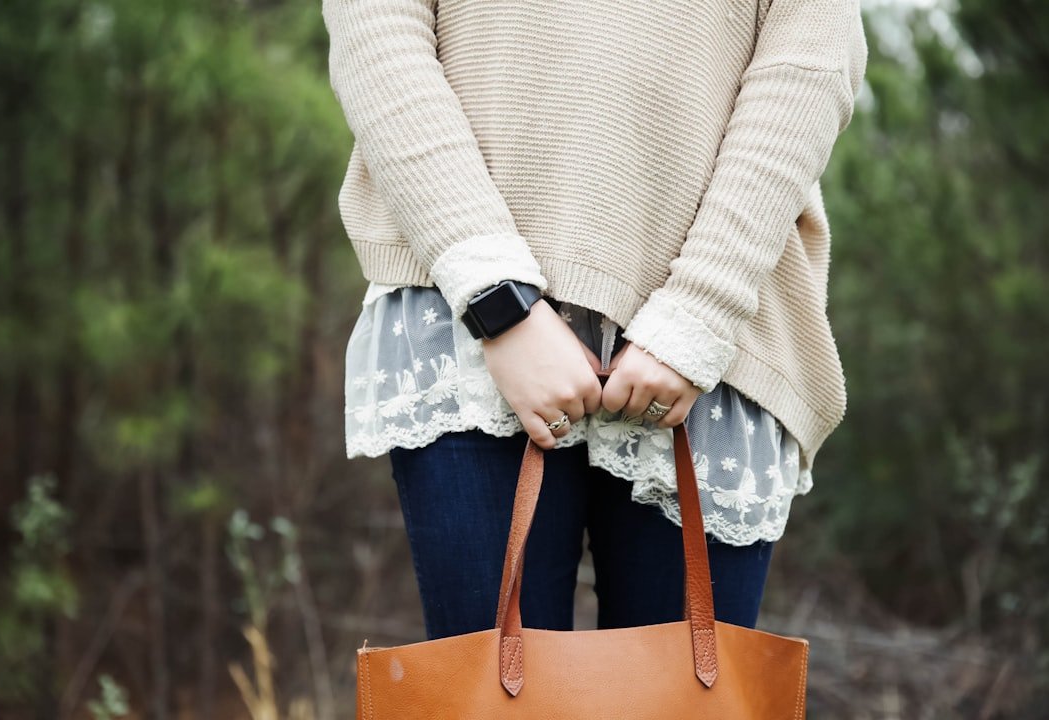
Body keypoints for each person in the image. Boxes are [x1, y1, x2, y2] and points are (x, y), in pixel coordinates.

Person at [323, 0, 868, 638]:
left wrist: (701, 310)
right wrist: (497, 298)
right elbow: (376, 31)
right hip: (468, 322)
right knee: (495, 707)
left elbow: (811, 60)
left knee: (682, 708)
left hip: (718, 335)